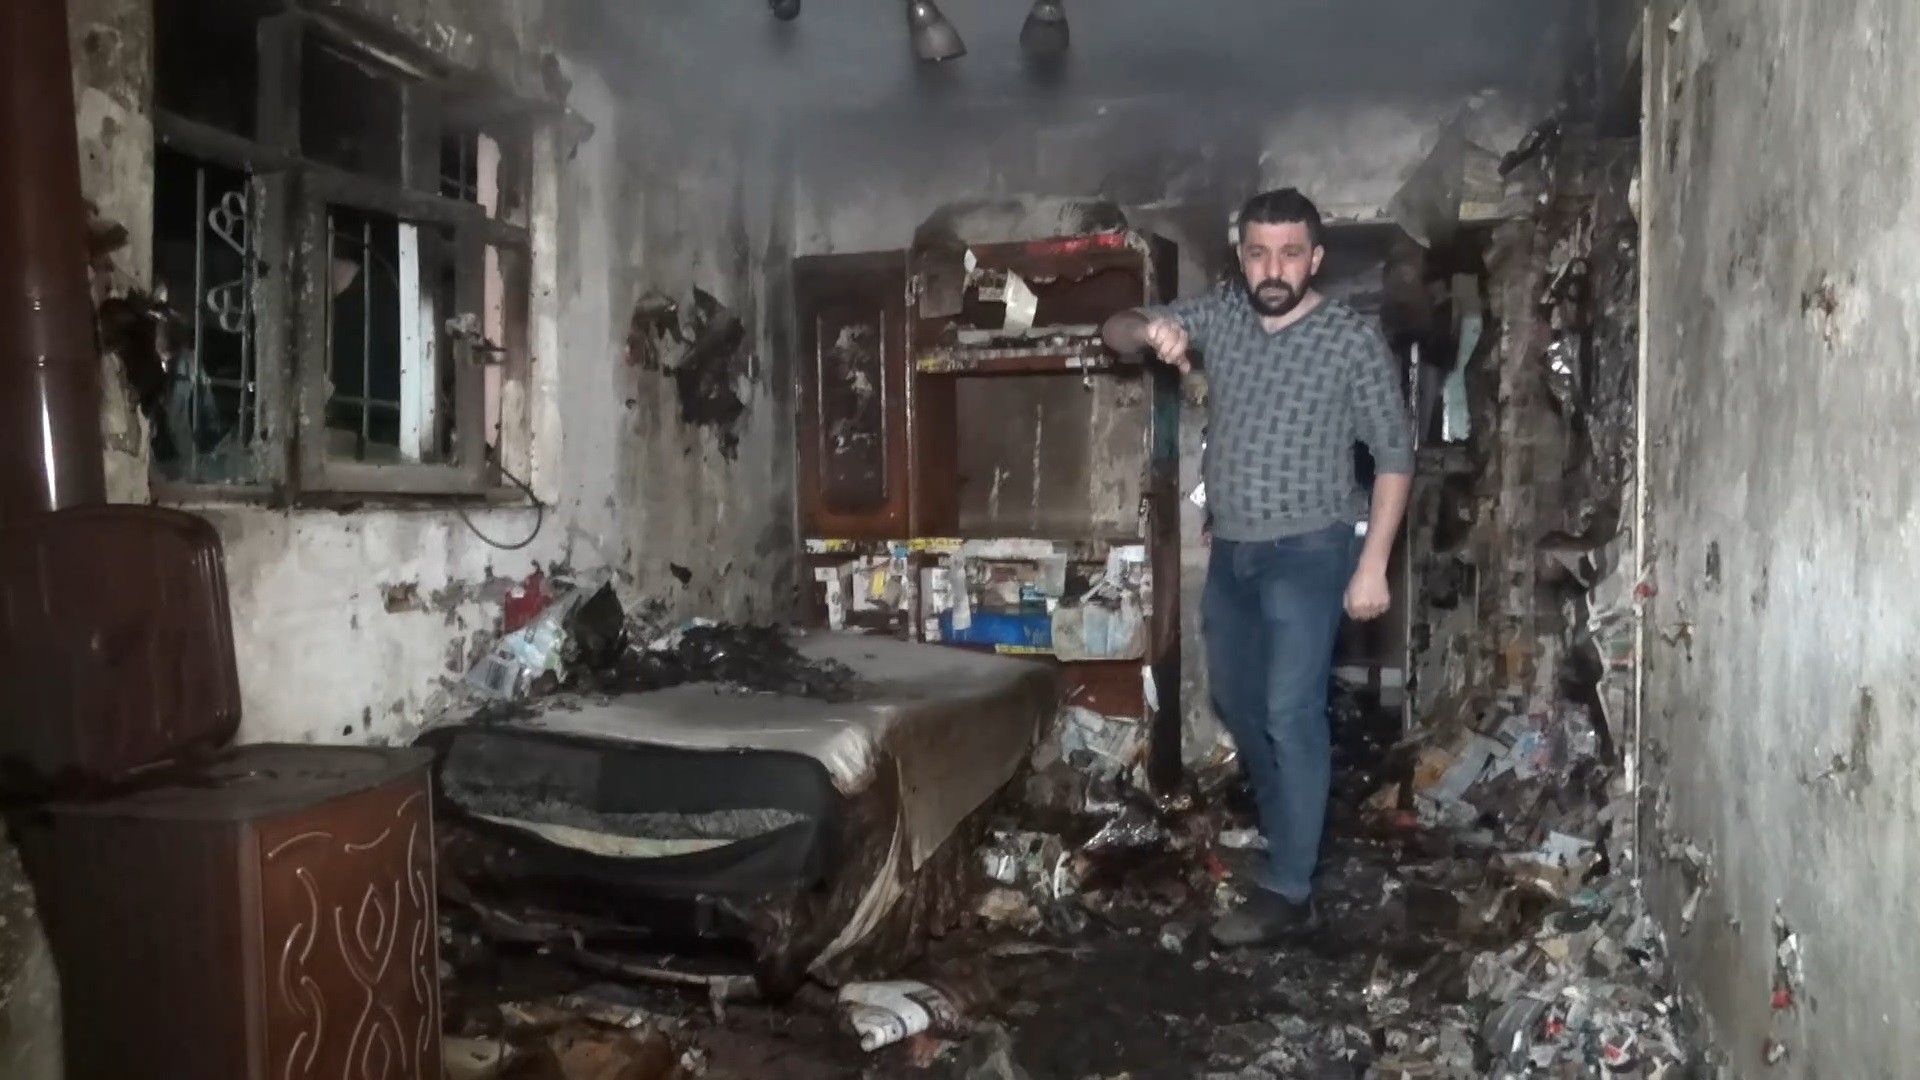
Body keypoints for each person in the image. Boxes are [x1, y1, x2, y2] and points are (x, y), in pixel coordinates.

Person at [1101, 188, 1413, 945]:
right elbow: (1115, 329)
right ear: (1241, 257)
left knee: (1289, 711)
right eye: (1258, 253)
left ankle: (1290, 887)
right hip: (1234, 552)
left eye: (1291, 253)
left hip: (1311, 550)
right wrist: (1152, 328)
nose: (1274, 269)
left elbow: (1396, 455)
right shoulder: (1225, 316)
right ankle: (1286, 837)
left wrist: (1373, 565)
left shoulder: (1349, 340)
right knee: (1238, 704)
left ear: (1316, 258)